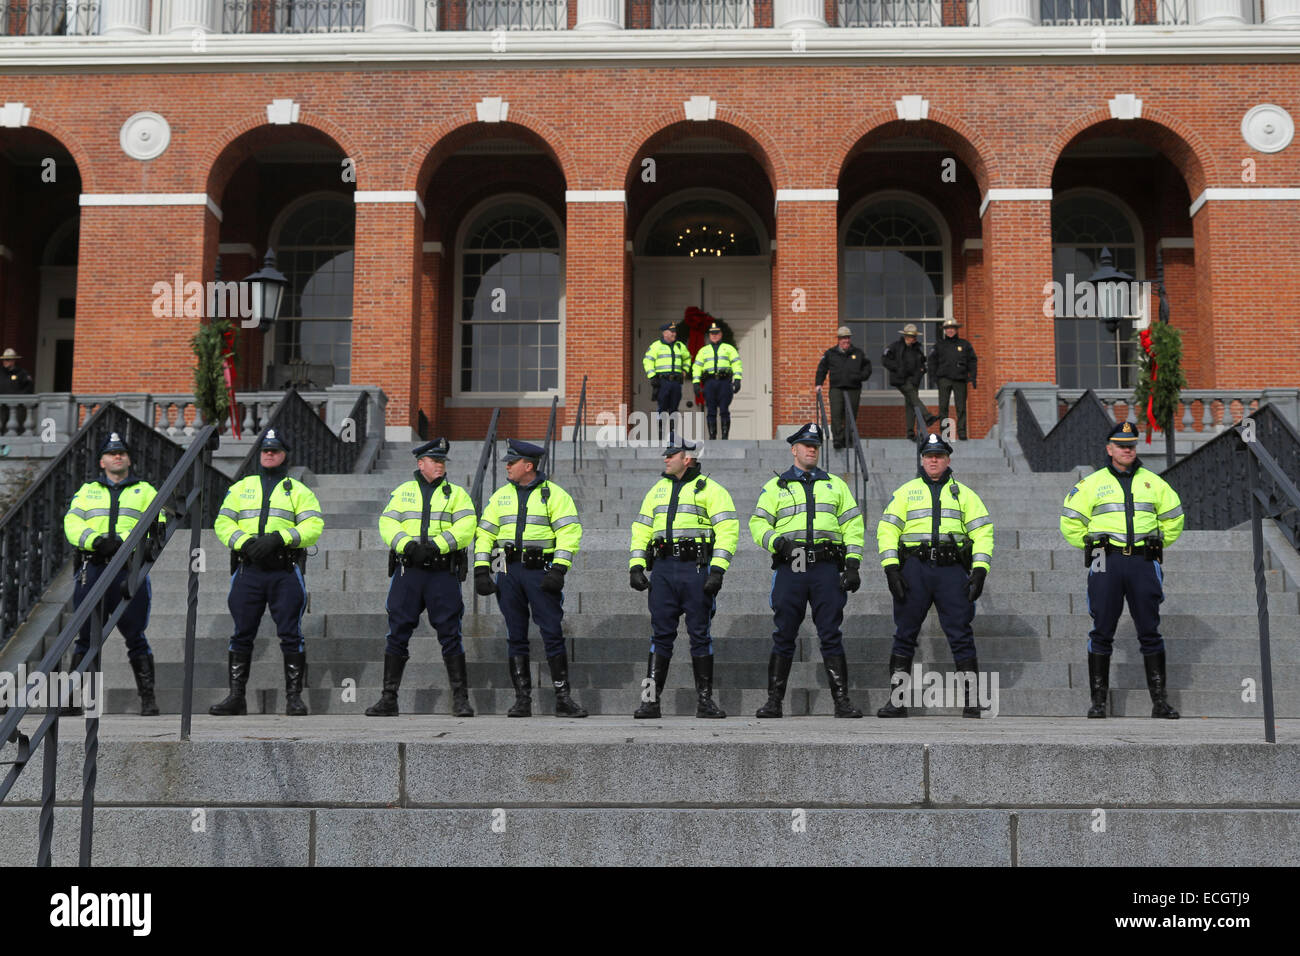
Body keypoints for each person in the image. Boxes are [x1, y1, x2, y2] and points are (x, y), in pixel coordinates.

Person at [1060, 420, 1185, 719]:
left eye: (1131, 445)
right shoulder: (1092, 483)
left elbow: (1174, 517)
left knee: (1149, 630)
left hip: (1143, 560)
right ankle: (1098, 702)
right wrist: (1090, 545)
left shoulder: (1154, 482)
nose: (1127, 450)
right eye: (1121, 445)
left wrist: (1158, 543)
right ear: (1109, 449)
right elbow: (1069, 520)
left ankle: (1160, 702)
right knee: (1102, 628)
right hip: (1107, 559)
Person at [749, 423, 866, 718]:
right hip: (792, 564)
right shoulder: (776, 486)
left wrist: (853, 563)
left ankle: (842, 702)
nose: (811, 449)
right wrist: (778, 543)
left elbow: (853, 525)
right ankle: (774, 702)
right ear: (794, 449)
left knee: (830, 633)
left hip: (826, 566)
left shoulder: (836, 485)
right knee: (784, 633)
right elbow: (757, 524)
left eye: (815, 445)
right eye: (806, 445)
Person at [875, 434, 994, 718]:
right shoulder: (905, 492)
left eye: (939, 456)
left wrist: (979, 570)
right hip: (914, 569)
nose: (933, 460)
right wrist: (891, 568)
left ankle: (972, 700)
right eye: (929, 456)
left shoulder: (965, 494)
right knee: (905, 633)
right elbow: (887, 530)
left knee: (961, 633)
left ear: (947, 459)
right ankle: (897, 701)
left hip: (951, 570)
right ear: (921, 459)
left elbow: (982, 532)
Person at [210, 428, 324, 717]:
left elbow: (313, 527)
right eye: (265, 450)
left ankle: (294, 698)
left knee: (290, 633)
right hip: (249, 569)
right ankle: (236, 697)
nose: (269, 454)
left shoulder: (299, 491)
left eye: (274, 450)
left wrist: (279, 538)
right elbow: (223, 522)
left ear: (285, 454)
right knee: (241, 634)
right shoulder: (241, 487)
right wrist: (244, 542)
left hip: (284, 570)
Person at [474, 439, 586, 718]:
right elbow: (485, 533)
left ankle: (563, 698)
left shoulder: (555, 495)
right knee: (515, 634)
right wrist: (480, 568)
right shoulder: (500, 496)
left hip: (541, 572)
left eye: (511, 463)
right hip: (507, 571)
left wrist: (559, 569)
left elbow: (569, 533)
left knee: (551, 632)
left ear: (529, 465)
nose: (507, 467)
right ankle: (522, 700)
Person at [628, 438, 737, 719]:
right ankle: (650, 702)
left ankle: (705, 702)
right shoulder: (656, 490)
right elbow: (641, 528)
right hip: (663, 569)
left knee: (700, 634)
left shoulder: (711, 490)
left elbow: (727, 530)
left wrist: (718, 569)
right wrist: (637, 565)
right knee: (659, 635)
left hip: (696, 569)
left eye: (672, 455)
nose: (666, 459)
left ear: (687, 458)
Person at [369, 437, 477, 717]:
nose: (440, 465)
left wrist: (436, 546)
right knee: (398, 631)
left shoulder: (456, 494)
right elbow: (387, 522)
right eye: (435, 461)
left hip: (442, 571)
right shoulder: (402, 491)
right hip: (409, 571)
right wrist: (406, 545)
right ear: (421, 463)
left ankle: (461, 699)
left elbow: (467, 525)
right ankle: (388, 699)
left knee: (450, 632)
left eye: (442, 461)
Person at [63, 432, 165, 715]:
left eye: (121, 452)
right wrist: (95, 541)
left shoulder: (145, 490)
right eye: (111, 453)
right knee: (85, 636)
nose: (117, 456)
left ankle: (148, 700)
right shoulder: (87, 491)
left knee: (135, 634)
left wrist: (124, 542)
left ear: (129, 460)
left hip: (128, 569)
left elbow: (159, 523)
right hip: (93, 568)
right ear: (101, 462)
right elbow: (72, 522)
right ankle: (72, 702)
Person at [815, 326, 872, 450]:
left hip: (854, 388)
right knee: (836, 413)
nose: (845, 340)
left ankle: (849, 439)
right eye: (843, 338)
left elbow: (867, 368)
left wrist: (860, 377)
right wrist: (819, 383)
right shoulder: (830, 353)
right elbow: (822, 368)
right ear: (838, 339)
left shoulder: (858, 353)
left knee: (851, 414)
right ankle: (838, 440)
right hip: (837, 388)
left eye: (847, 338)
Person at [881, 323, 937, 440]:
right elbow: (885, 359)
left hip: (914, 380)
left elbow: (922, 364)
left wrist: (920, 373)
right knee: (913, 397)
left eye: (914, 337)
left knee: (911, 404)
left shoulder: (917, 349)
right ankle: (927, 416)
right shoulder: (895, 346)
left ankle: (911, 432)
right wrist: (897, 368)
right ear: (906, 336)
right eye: (912, 336)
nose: (913, 339)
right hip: (901, 379)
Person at [928, 318, 978, 441]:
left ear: (956, 329)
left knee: (961, 407)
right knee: (943, 407)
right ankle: (945, 432)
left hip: (960, 379)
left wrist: (973, 376)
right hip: (944, 379)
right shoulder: (939, 345)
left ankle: (961, 432)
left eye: (952, 328)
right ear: (945, 331)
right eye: (947, 329)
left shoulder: (964, 344)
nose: (950, 331)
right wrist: (933, 377)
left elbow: (972, 361)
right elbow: (931, 362)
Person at [691, 322, 743, 440]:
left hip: (724, 382)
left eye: (716, 333)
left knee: (724, 409)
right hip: (710, 383)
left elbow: (737, 364)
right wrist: (695, 383)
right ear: (709, 335)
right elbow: (697, 367)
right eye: (712, 333)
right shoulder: (703, 351)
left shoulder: (729, 348)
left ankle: (725, 436)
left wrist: (738, 379)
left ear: (721, 334)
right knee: (711, 410)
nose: (714, 335)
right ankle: (712, 436)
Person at [642, 323, 692, 442]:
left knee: (674, 409)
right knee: (662, 408)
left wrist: (685, 370)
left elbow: (687, 358)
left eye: (675, 332)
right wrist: (652, 376)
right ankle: (661, 434)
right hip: (663, 382)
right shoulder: (656, 346)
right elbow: (647, 361)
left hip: (676, 382)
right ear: (664, 333)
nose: (674, 334)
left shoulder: (680, 346)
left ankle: (672, 435)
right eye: (671, 332)